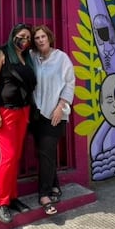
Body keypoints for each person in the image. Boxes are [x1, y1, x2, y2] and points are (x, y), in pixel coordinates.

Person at [0, 23, 37, 223]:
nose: (25, 40)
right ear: (13, 35)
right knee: (8, 157)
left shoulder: (26, 57)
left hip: (23, 112)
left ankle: (13, 198)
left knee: (15, 158)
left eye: (28, 38)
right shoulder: (1, 53)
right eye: (22, 36)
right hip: (5, 113)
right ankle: (2, 203)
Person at [29, 25, 75, 215]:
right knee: (44, 153)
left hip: (56, 114)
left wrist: (60, 107)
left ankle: (44, 194)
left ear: (49, 37)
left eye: (43, 36)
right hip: (37, 114)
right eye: (37, 38)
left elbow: (70, 83)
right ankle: (55, 185)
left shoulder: (61, 58)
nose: (40, 40)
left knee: (46, 152)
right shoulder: (33, 57)